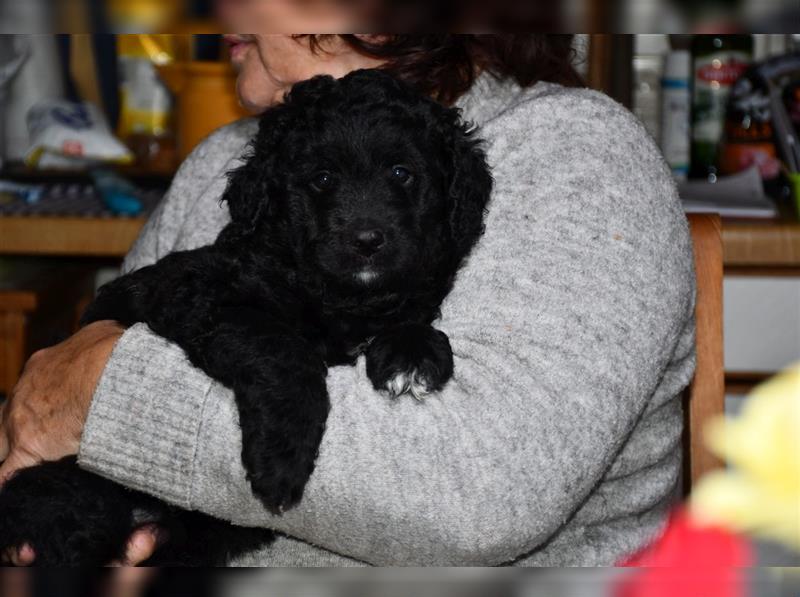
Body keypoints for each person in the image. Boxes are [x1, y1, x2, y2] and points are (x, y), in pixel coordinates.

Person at [0, 28, 695, 566]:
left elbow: (474, 495)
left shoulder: (573, 151)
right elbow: (64, 411)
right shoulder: (224, 159)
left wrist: (106, 399)